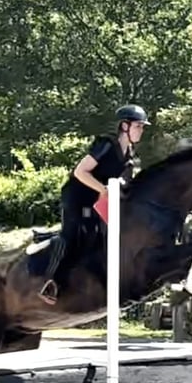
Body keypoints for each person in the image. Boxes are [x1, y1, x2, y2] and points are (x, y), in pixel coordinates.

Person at [38, 104, 151, 304]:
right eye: (138, 126)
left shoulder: (130, 155)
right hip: (77, 196)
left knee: (100, 239)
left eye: (142, 127)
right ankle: (51, 283)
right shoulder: (105, 145)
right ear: (125, 126)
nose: (141, 130)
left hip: (98, 201)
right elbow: (80, 172)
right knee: (72, 235)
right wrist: (104, 190)